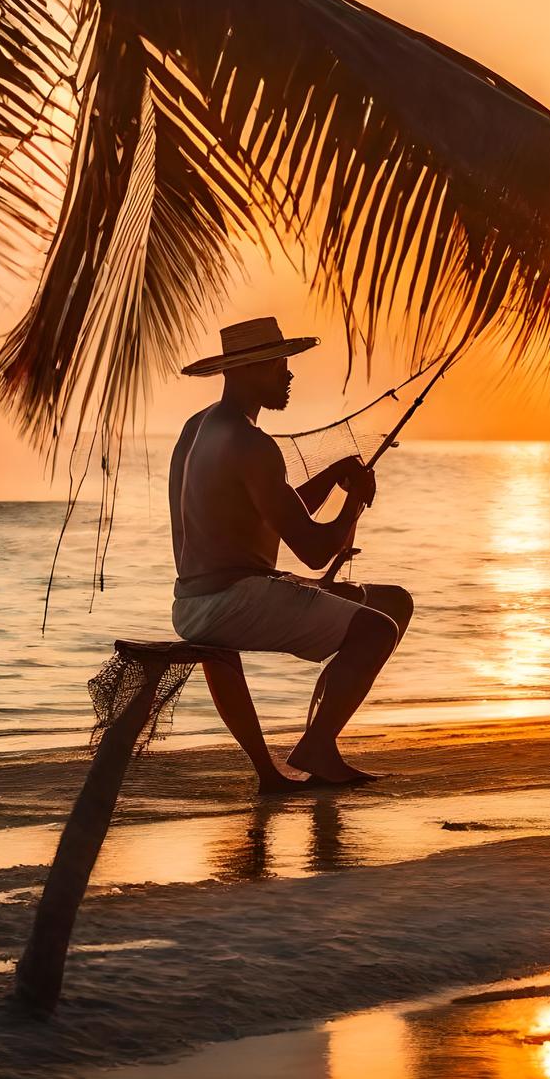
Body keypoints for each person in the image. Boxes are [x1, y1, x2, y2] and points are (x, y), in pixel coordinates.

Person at [168, 317, 414, 791]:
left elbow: (270, 507)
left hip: (194, 601)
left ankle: (297, 756)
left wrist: (336, 472)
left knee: (392, 601)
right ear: (249, 370)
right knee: (376, 630)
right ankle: (316, 746)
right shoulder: (251, 443)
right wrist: (355, 499)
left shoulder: (199, 428)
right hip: (231, 601)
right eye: (279, 366)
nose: (288, 376)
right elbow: (316, 551)